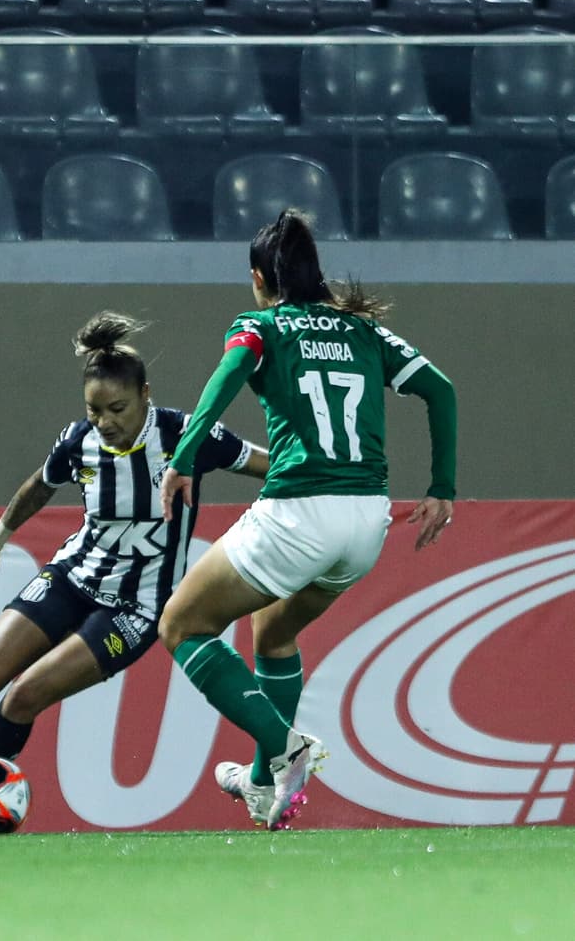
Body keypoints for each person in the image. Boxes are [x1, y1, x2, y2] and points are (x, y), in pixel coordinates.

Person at [0, 311, 270, 835]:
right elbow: (39, 486)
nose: (106, 422)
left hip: (136, 608)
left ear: (145, 395)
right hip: (74, 575)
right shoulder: (80, 442)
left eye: (117, 408)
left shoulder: (188, 434)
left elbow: (269, 464)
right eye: (95, 410)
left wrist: (323, 493)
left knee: (24, 695)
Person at [158, 208, 457, 832]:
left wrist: (183, 458)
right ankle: (266, 787)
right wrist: (442, 489)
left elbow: (225, 379)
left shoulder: (261, 325)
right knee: (271, 634)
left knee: (183, 624)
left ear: (259, 277)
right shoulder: (364, 330)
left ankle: (283, 745)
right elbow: (441, 390)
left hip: (300, 514)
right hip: (366, 524)